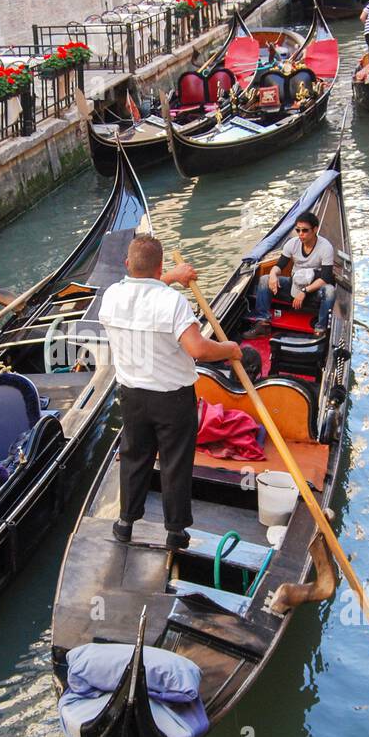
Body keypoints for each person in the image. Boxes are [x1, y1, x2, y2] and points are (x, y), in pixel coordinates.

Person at [99, 235, 243, 550]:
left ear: (127, 264)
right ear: (160, 265)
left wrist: (171, 279)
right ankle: (176, 531)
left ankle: (125, 523)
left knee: (134, 456)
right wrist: (230, 348)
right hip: (172, 399)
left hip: (132, 396)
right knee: (175, 461)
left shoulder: (110, 296)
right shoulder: (172, 303)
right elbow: (198, 349)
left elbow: (142, 290)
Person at [246, 211, 336, 340]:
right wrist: (272, 274)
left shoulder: (326, 247)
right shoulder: (292, 243)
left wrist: (304, 291)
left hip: (313, 290)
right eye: (298, 230)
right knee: (264, 279)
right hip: (293, 285)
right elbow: (280, 265)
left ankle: (320, 329)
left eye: (305, 230)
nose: (300, 234)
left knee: (330, 291)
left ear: (315, 229)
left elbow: (326, 278)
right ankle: (263, 323)